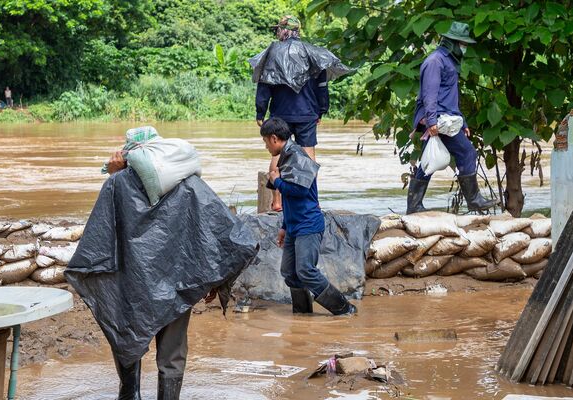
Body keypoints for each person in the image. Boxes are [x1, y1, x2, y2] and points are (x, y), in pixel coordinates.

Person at [66, 128, 259, 400]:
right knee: (172, 353)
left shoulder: (116, 184)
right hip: (177, 284)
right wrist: (214, 278)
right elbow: (223, 231)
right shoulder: (189, 183)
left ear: (130, 153)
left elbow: (101, 240)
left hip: (131, 287)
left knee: (127, 336)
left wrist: (113, 175)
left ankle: (130, 394)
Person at [261, 117, 356, 315]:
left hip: (308, 224)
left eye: (265, 142)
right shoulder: (286, 157)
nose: (266, 147)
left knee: (305, 270)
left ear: (274, 139)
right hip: (294, 225)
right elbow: (289, 199)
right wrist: (284, 226)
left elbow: (300, 192)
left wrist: (277, 181)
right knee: (289, 272)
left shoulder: (297, 156)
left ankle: (344, 309)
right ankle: (303, 314)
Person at [407, 21, 496, 214]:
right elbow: (430, 95)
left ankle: (414, 206)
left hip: (446, 118)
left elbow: (450, 97)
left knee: (426, 160)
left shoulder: (448, 61)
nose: (464, 47)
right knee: (467, 153)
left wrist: (461, 121)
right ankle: (474, 200)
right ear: (452, 42)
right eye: (462, 43)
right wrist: (431, 122)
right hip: (437, 120)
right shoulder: (435, 62)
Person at [255, 16, 331, 212]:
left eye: (278, 30)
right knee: (308, 157)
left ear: (282, 31)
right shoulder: (313, 53)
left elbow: (264, 85)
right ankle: (313, 202)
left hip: (280, 115)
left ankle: (277, 202)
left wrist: (260, 112)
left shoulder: (272, 53)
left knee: (277, 153)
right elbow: (322, 86)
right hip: (307, 113)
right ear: (298, 31)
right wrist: (322, 109)